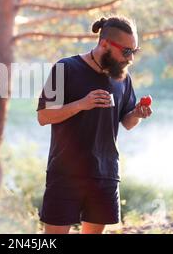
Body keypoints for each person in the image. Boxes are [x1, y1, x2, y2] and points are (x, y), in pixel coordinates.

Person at [37, 16, 152, 234]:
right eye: (126, 51)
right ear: (105, 44)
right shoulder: (65, 68)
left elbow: (127, 122)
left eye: (134, 52)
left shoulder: (122, 79)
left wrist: (137, 113)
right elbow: (43, 116)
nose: (130, 59)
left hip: (105, 174)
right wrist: (82, 104)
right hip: (65, 174)